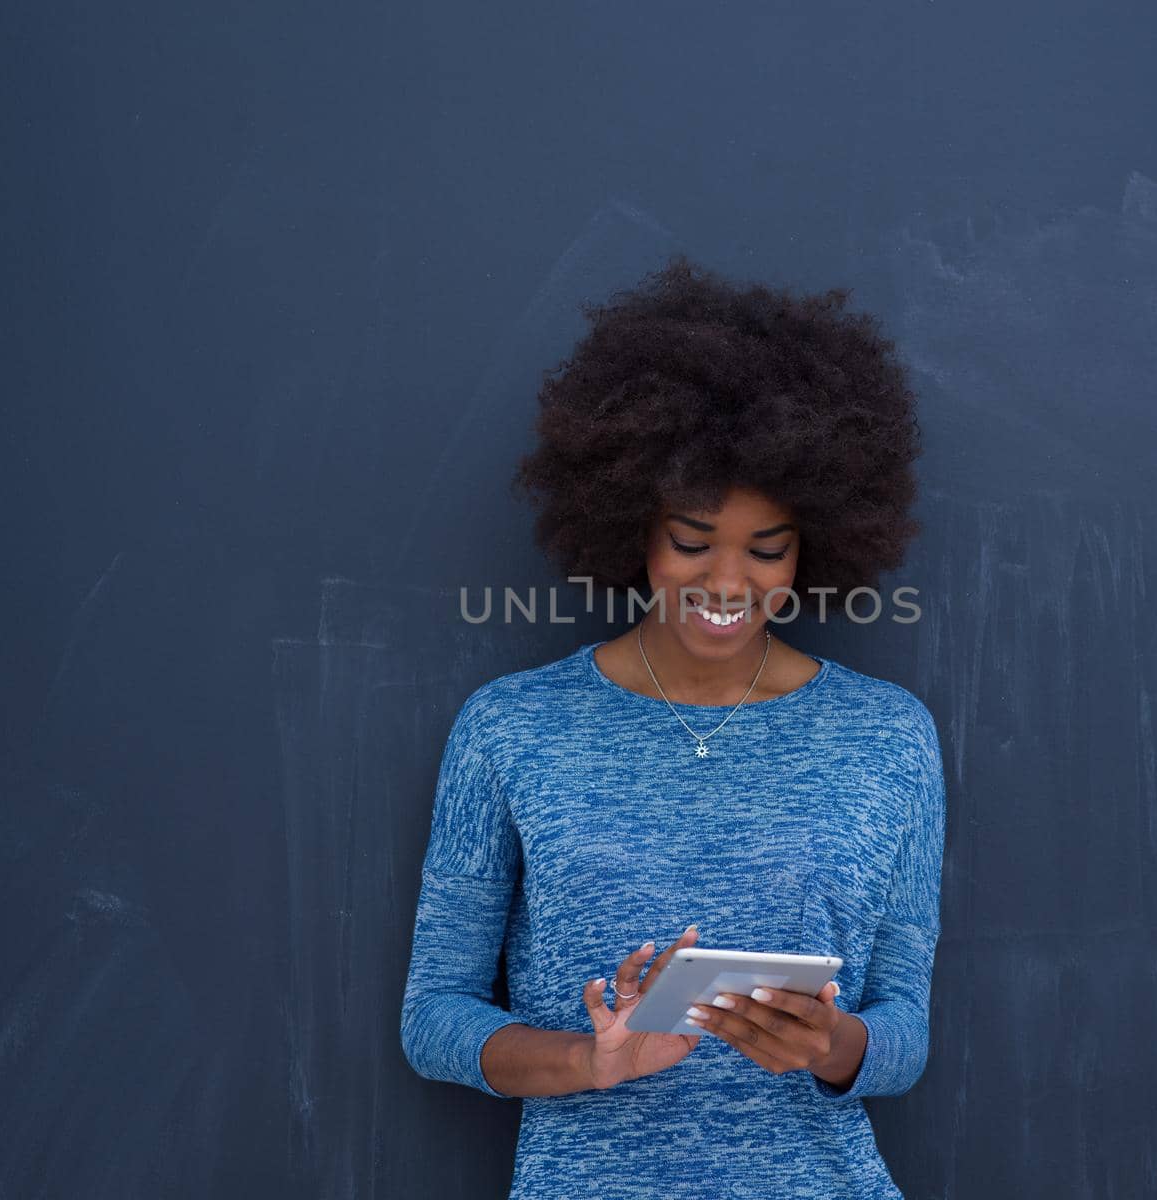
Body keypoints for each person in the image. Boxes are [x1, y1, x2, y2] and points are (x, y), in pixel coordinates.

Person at [399, 255, 947, 1198]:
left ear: (814, 545)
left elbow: (904, 1026)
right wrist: (590, 1062)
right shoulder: (511, 729)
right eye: (692, 542)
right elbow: (434, 1017)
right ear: (633, 529)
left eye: (766, 551)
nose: (728, 583)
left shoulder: (887, 736)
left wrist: (833, 1044)